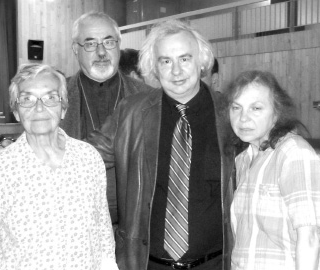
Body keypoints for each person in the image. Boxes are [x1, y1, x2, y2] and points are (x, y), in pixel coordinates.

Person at [87, 20, 236, 270]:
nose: (176, 71)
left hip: (215, 263)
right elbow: (83, 157)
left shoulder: (230, 115)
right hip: (146, 263)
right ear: (153, 68)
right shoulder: (130, 113)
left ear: (202, 61)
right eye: (165, 61)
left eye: (185, 59)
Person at [0, 63, 117, 269]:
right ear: (16, 111)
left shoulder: (88, 158)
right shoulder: (3, 169)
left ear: (63, 108)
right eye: (27, 99)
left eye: (50, 97)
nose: (39, 108)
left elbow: (102, 230)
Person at [225, 70, 320, 270]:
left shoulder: (294, 154)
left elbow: (309, 239)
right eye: (236, 108)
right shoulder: (245, 159)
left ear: (277, 113)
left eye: (256, 108)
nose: (243, 118)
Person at [63, 11, 152, 223]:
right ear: (76, 49)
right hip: (73, 222)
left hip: (133, 224)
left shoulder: (148, 99)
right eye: (91, 44)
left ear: (119, 45)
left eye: (109, 42)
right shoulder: (56, 98)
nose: (101, 52)